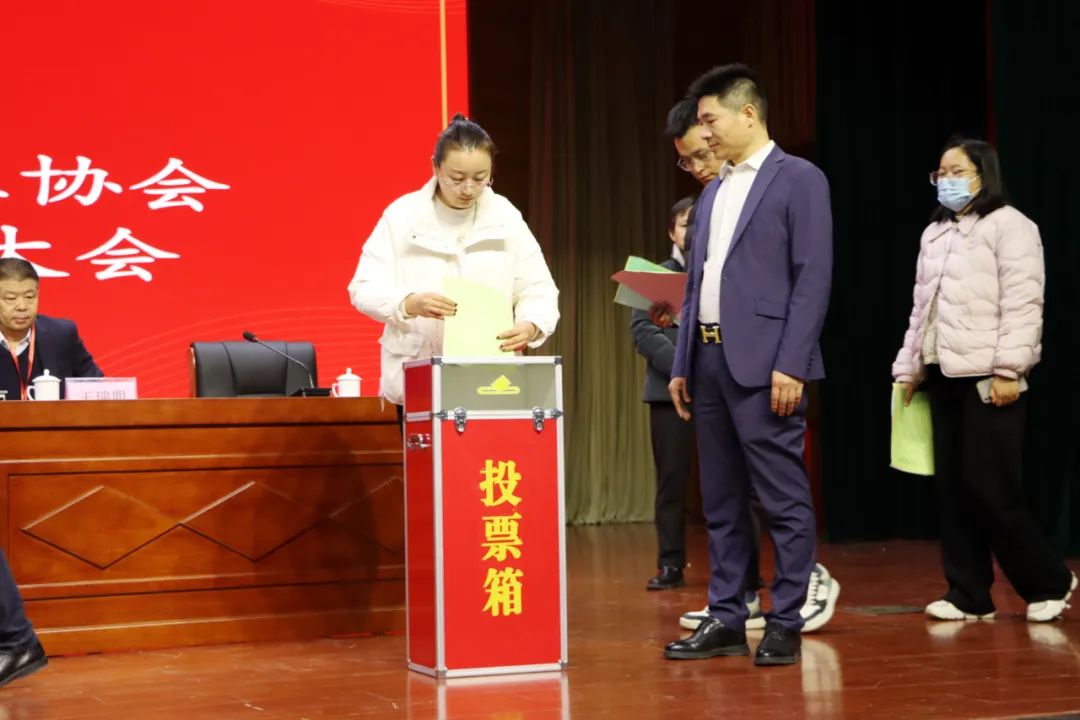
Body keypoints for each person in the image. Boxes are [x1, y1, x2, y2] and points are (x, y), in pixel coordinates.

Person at [662, 65, 832, 667]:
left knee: (782, 497)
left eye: (711, 120)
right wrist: (682, 361)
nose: (705, 133)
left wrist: (792, 363)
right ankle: (728, 616)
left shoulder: (799, 179)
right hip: (708, 361)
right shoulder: (713, 191)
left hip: (766, 365)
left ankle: (786, 619)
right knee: (721, 499)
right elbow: (696, 284)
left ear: (748, 114)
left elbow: (812, 278)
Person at [892, 137, 1076, 623]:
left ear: (983, 175)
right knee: (953, 490)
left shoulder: (1011, 226)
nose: (946, 180)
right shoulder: (935, 233)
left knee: (991, 487)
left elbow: (1023, 302)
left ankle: (1050, 582)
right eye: (940, 172)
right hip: (943, 372)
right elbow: (921, 309)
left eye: (957, 171)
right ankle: (968, 593)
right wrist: (909, 367)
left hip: (990, 376)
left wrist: (1009, 369)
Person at [348, 115, 560, 410]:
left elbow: (538, 288)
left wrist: (532, 324)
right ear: (436, 167)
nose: (468, 189)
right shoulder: (402, 216)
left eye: (480, 178)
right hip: (417, 378)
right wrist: (409, 303)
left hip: (492, 380)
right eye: (457, 179)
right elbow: (363, 288)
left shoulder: (505, 216)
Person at [631, 196, 696, 591]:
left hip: (721, 390)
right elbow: (643, 332)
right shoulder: (654, 276)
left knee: (735, 482)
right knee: (671, 482)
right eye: (686, 224)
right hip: (668, 393)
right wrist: (684, 367)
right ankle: (670, 564)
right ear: (672, 232)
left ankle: (744, 567)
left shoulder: (721, 271)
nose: (693, 231)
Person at [0, 257, 102, 401]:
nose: (22, 306)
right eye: (11, 299)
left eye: (29, 297)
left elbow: (96, 389)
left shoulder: (61, 336)